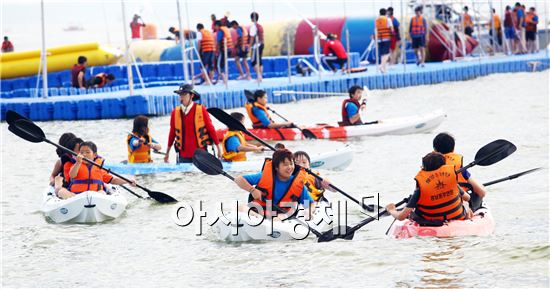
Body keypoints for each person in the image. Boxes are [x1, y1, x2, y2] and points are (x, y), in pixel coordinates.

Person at [385, 152, 472, 224]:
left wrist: (392, 210)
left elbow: (401, 217)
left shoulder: (420, 190)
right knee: (465, 204)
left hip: (431, 222)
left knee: (412, 212)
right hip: (457, 217)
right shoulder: (452, 181)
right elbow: (467, 198)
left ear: (424, 169)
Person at [235, 149, 315, 219]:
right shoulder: (263, 176)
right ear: (276, 167)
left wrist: (309, 211)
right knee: (239, 208)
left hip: (281, 215)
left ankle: (264, 223)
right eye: (285, 164)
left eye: (291, 164)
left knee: (276, 219)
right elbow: (238, 179)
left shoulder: (298, 184)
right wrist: (252, 190)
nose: (290, 167)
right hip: (259, 211)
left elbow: (310, 204)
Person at [164, 84, 221, 163]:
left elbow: (211, 129)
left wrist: (218, 148)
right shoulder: (175, 112)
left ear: (192, 95)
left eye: (184, 94)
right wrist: (167, 153)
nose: (181, 97)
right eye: (180, 94)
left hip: (201, 154)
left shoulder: (201, 110)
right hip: (183, 155)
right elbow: (172, 133)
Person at [57, 141, 134, 199]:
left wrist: (127, 181)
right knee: (61, 191)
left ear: (94, 155)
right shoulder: (76, 165)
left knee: (102, 192)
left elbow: (113, 180)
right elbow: (72, 175)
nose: (84, 154)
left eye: (87, 152)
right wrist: (78, 163)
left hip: (95, 196)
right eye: (82, 152)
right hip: (76, 196)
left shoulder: (99, 168)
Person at [432, 132, 487, 211]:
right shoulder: (460, 168)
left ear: (434, 150)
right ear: (453, 149)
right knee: (478, 193)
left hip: (432, 210)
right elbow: (482, 192)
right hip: (455, 209)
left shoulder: (427, 167)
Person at [375, 8, 393, 73]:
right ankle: (381, 66)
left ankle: (384, 69)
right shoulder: (388, 19)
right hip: (386, 38)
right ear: (385, 13)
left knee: (382, 54)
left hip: (379, 39)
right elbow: (392, 29)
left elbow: (376, 29)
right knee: (387, 54)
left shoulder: (377, 20)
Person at [249, 12, 265, 82]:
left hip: (256, 46)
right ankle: (260, 76)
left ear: (252, 18)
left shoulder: (253, 27)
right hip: (262, 44)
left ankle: (259, 76)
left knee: (253, 61)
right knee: (260, 61)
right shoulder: (260, 26)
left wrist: (250, 46)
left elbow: (252, 38)